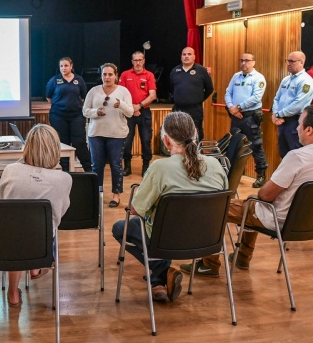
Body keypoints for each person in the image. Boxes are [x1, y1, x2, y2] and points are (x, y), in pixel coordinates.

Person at [182, 105, 313, 276]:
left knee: (211, 209)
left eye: (299, 123)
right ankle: (243, 256)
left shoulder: (297, 157)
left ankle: (209, 264)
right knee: (251, 203)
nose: (297, 128)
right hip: (305, 223)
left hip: (278, 219)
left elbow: (265, 195)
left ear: (309, 130)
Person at [112, 112, 228, 302]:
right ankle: (160, 279)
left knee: (121, 228)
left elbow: (136, 209)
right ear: (195, 135)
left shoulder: (160, 168)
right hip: (207, 241)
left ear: (166, 141)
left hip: (167, 241)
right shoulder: (215, 164)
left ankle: (163, 272)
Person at [0, 123, 72, 307]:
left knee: (17, 233)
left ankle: (13, 293)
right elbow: (60, 214)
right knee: (41, 228)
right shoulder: (64, 179)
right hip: (42, 244)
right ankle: (35, 267)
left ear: (27, 147)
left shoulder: (10, 170)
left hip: (7, 241)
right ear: (55, 149)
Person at [82, 63, 134, 207]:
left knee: (116, 165)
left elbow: (130, 112)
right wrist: (96, 112)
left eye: (110, 74)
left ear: (116, 76)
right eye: (104, 74)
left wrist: (121, 105)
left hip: (117, 134)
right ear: (101, 75)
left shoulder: (123, 91)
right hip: (96, 133)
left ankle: (116, 195)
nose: (107, 77)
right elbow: (85, 111)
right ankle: (97, 194)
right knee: (96, 166)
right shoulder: (93, 91)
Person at [224, 52, 269, 187]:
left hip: (250, 118)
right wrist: (231, 107)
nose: (244, 63)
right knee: (234, 145)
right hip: (236, 117)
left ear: (253, 62)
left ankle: (261, 176)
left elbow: (256, 97)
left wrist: (238, 107)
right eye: (241, 60)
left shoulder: (258, 78)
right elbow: (228, 93)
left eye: (247, 61)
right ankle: (234, 173)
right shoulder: (236, 76)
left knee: (256, 146)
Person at [45, 57, 92, 172]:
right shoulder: (54, 80)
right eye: (61, 66)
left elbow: (83, 97)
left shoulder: (79, 80)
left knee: (79, 142)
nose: (63, 68)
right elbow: (48, 97)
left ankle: (88, 169)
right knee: (63, 142)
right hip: (58, 116)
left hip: (76, 115)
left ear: (71, 66)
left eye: (66, 65)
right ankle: (65, 170)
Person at [119, 51, 157, 177]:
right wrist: (131, 108)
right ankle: (127, 167)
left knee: (146, 140)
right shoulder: (125, 74)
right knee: (127, 141)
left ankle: (146, 167)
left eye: (140, 60)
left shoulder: (149, 75)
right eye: (135, 60)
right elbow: (121, 93)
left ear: (144, 61)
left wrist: (139, 106)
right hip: (128, 112)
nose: (138, 63)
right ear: (132, 61)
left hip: (144, 111)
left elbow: (153, 95)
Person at [271, 51, 313, 157]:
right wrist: (275, 113)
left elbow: (298, 105)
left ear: (301, 63)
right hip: (282, 123)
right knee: (283, 154)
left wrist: (278, 114)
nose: (288, 63)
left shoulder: (306, 80)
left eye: (292, 61)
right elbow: (277, 98)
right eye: (287, 61)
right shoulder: (286, 79)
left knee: (296, 155)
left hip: (295, 123)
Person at [169, 47, 214, 142]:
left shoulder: (201, 70)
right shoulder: (174, 71)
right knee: (178, 134)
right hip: (178, 109)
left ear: (194, 57)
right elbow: (172, 88)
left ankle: (196, 155)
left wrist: (199, 98)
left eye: (189, 54)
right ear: (181, 57)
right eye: (184, 54)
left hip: (195, 109)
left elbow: (210, 89)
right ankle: (180, 156)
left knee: (196, 134)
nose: (186, 56)